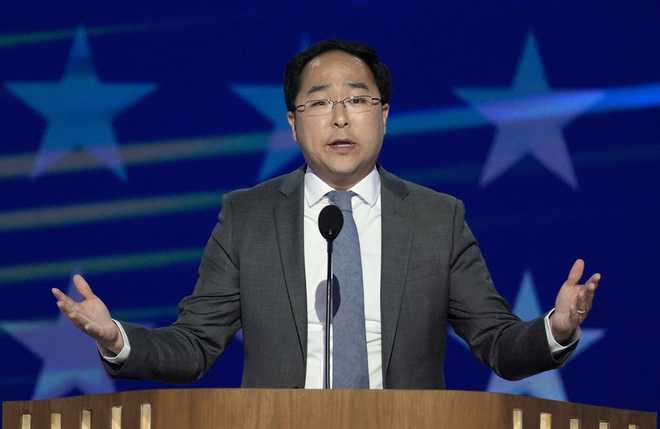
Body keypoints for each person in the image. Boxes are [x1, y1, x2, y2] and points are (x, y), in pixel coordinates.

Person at [51, 40, 601, 389]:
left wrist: (556, 327)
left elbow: (497, 344)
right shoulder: (248, 217)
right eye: (319, 102)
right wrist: (116, 338)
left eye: (357, 100)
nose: (340, 117)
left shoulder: (438, 219)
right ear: (293, 124)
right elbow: (194, 347)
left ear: (384, 116)